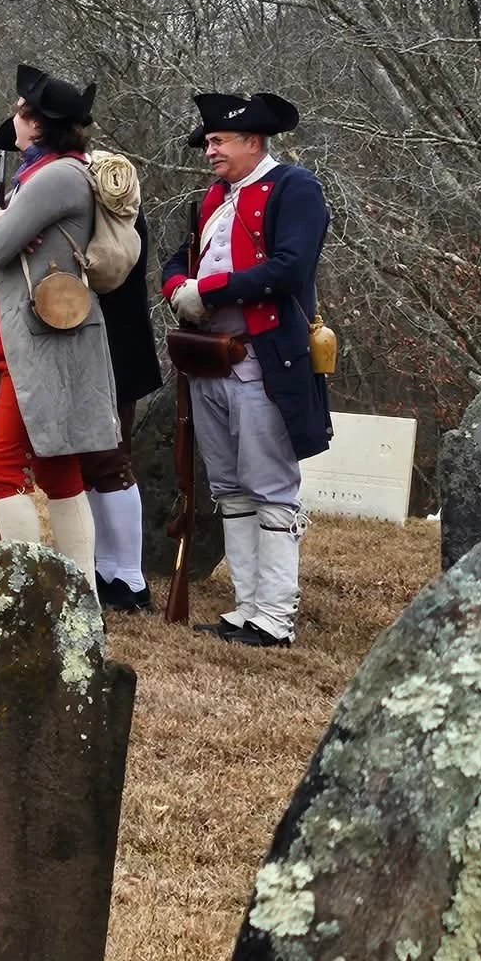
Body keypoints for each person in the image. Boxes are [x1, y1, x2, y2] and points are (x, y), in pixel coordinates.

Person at [162, 92, 330, 648]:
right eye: (207, 142)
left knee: (271, 486)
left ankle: (276, 616)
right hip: (211, 355)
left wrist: (204, 292)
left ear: (252, 141)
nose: (209, 151)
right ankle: (247, 608)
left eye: (218, 141)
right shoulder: (214, 197)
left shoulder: (294, 188)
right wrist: (177, 290)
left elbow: (288, 268)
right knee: (231, 487)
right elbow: (178, 260)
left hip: (262, 356)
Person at [0, 65, 120, 573]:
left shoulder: (54, 177)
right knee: (57, 469)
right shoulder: (51, 173)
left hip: (39, 345)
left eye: (22, 113)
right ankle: (79, 593)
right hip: (29, 342)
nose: (15, 118)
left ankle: (33, 590)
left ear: (38, 123)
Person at [80, 207, 164, 611]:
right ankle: (106, 566)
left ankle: (130, 577)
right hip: (91, 346)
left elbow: (110, 267)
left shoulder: (107, 182)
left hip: (113, 346)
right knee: (91, 468)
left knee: (111, 462)